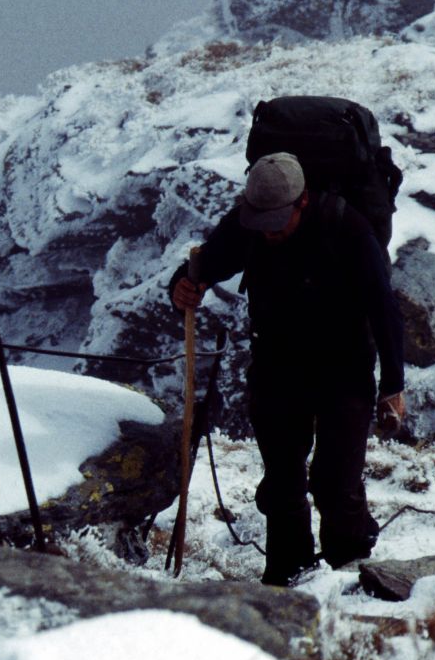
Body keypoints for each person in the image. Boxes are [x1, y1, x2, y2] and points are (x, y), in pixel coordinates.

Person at [170, 151, 405, 586]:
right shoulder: (249, 225)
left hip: (344, 369)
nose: (271, 232)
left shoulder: (346, 228)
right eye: (263, 222)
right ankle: (286, 575)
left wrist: (393, 382)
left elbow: (382, 305)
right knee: (282, 483)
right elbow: (204, 266)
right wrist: (183, 285)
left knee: (335, 482)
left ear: (302, 202)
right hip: (278, 367)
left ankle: (348, 573)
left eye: (279, 221)